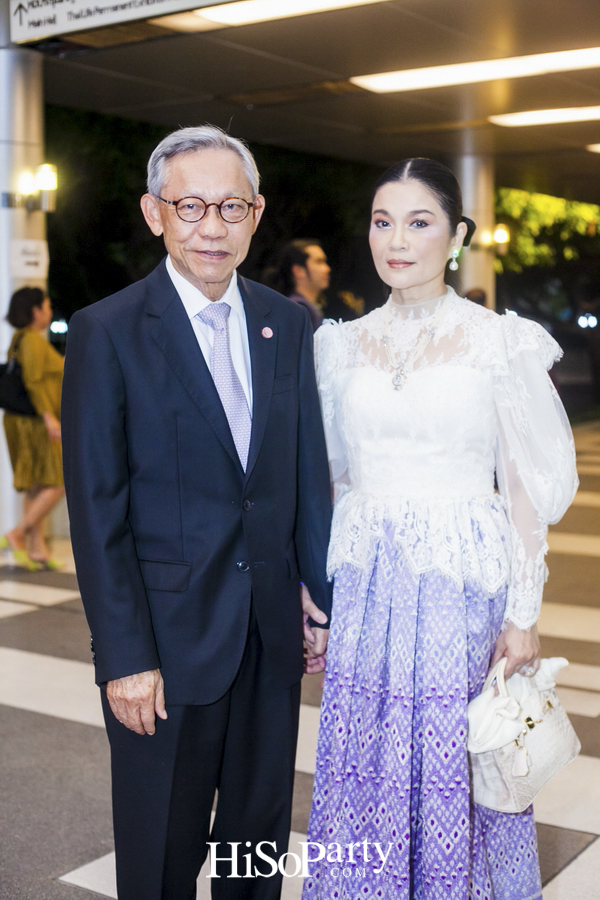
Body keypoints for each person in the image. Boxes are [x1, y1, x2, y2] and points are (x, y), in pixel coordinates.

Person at [62, 125, 333, 900]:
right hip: (165, 651)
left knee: (255, 855)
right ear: (155, 214)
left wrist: (316, 598)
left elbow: (302, 479)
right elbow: (97, 510)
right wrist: (123, 656)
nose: (212, 226)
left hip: (269, 640)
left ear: (257, 214)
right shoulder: (106, 331)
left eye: (231, 206)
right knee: (161, 856)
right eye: (191, 206)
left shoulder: (287, 325)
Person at [303, 158, 578, 900]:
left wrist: (524, 614)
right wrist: (314, 583)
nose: (397, 240)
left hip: (460, 584)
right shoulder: (340, 346)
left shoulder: (498, 342)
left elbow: (523, 486)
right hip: (368, 585)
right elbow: (333, 475)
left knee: (457, 758)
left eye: (419, 222)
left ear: (456, 235)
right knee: (371, 756)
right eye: (382, 221)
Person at [1, 287, 65, 570]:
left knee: (37, 484)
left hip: (25, 419)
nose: (50, 312)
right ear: (36, 310)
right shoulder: (32, 342)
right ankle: (17, 534)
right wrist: (50, 417)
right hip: (36, 421)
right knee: (59, 482)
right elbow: (35, 382)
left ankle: (37, 549)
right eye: (47, 307)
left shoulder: (19, 339)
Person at [278, 239, 331, 331]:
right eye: (319, 262)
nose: (327, 269)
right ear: (299, 271)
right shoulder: (297, 309)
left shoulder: (305, 307)